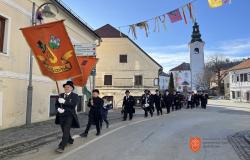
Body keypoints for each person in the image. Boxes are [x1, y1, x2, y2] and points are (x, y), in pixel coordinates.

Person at [55, 81, 80, 153]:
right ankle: (70, 140)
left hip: (69, 116)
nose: (66, 88)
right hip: (61, 116)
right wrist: (58, 109)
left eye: (68, 87)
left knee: (66, 130)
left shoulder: (75, 96)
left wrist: (64, 102)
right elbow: (56, 104)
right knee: (64, 130)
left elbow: (73, 104)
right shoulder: (60, 95)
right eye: (65, 87)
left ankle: (61, 146)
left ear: (71, 88)